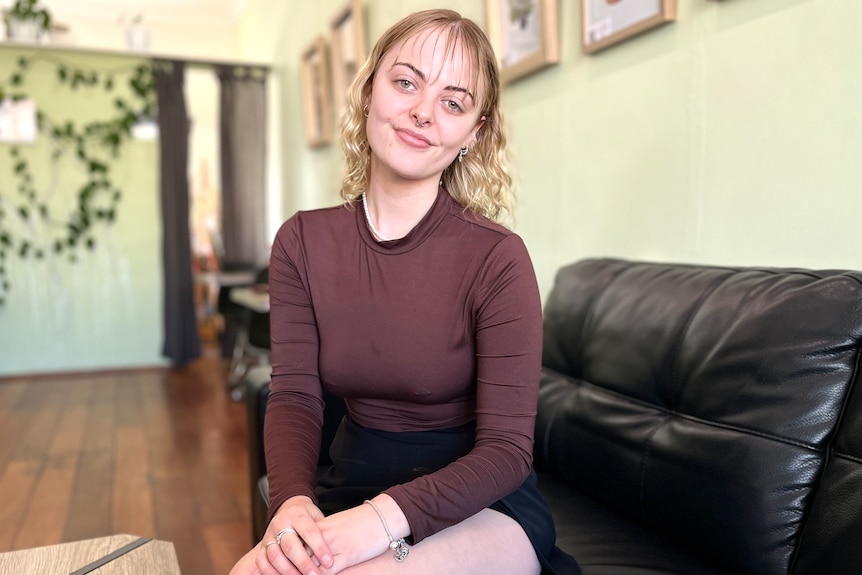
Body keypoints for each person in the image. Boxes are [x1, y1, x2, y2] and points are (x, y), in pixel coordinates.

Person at [231, 9, 580, 575]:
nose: (422, 111)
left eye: (452, 101)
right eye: (406, 82)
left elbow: (507, 451)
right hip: (350, 483)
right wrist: (293, 501)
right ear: (369, 91)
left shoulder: (498, 257)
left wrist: (378, 521)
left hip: (481, 504)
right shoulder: (301, 241)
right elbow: (295, 395)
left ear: (474, 132)